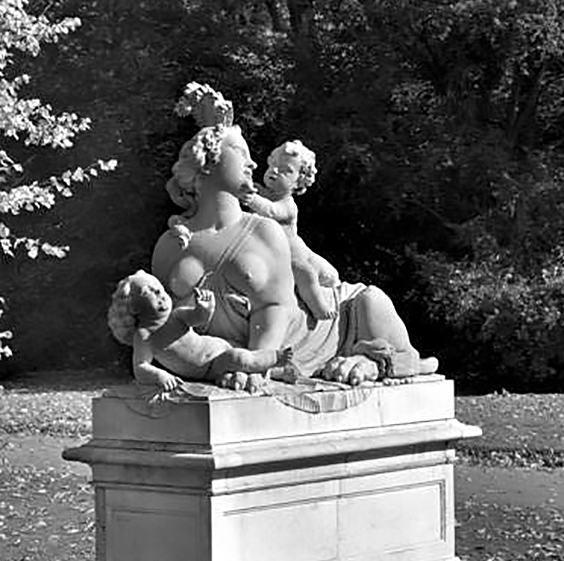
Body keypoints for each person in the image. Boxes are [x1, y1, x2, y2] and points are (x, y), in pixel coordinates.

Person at [151, 83, 438, 391]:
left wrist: (255, 363)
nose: (253, 164)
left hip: (326, 329)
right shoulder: (171, 243)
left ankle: (380, 359)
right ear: (207, 162)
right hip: (230, 358)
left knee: (368, 300)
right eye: (241, 154)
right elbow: (165, 321)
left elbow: (273, 308)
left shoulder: (264, 230)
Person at [107, 270, 294, 393]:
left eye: (160, 289)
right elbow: (140, 367)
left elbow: (198, 317)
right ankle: (277, 369)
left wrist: (205, 308)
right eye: (150, 292)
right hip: (210, 366)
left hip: (217, 350)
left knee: (244, 360)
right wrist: (160, 376)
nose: (160, 294)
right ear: (134, 307)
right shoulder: (144, 335)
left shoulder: (176, 316)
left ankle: (275, 358)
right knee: (241, 361)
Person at [240, 139, 341, 320]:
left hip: (291, 253)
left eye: (287, 170)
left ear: (298, 182)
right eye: (274, 165)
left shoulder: (288, 205)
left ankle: (317, 305)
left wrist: (250, 199)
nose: (276, 171)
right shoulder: (259, 190)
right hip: (267, 250)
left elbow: (271, 211)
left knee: (306, 272)